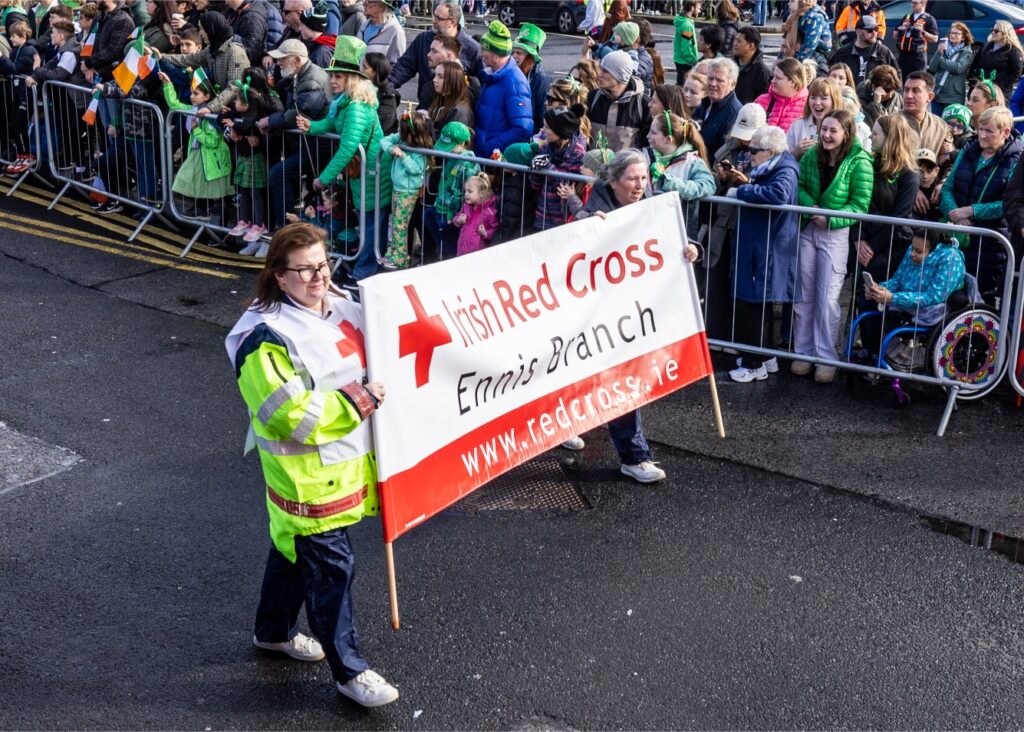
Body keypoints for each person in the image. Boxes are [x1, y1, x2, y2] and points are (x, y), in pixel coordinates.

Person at [224, 222, 399, 710]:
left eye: (322, 264)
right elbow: (287, 416)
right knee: (332, 569)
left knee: (292, 553)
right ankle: (351, 671)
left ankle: (273, 632)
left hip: (343, 472)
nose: (317, 277)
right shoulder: (262, 337)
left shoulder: (343, 305)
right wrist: (358, 400)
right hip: (306, 480)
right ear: (279, 276)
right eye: (303, 270)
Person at [570, 149, 697, 483]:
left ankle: (634, 456)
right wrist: (586, 228)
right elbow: (574, 240)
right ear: (614, 181)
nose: (640, 185)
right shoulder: (596, 206)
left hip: (631, 314)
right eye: (632, 179)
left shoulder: (654, 206)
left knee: (622, 379)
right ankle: (567, 423)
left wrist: (689, 247)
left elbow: (670, 239)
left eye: (644, 178)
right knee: (585, 373)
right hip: (594, 312)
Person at [297, 35, 391, 283]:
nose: (332, 80)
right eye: (332, 75)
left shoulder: (357, 106)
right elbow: (330, 122)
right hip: (360, 171)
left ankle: (365, 270)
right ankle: (363, 266)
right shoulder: (345, 101)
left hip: (372, 170)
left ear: (352, 79)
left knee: (372, 223)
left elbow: (348, 147)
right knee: (365, 219)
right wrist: (312, 126)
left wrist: (323, 178)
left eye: (339, 76)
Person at [792, 109, 874, 383]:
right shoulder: (812, 154)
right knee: (804, 296)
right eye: (823, 129)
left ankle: (826, 357)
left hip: (835, 234)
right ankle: (802, 352)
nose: (826, 135)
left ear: (846, 133)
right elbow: (799, 185)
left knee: (827, 298)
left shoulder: (860, 161)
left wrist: (831, 219)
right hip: (809, 228)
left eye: (833, 130)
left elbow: (859, 204)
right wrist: (812, 207)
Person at [723, 125, 800, 383]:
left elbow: (778, 194)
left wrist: (743, 191)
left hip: (767, 248)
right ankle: (767, 356)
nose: (750, 154)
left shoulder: (785, 168)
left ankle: (754, 363)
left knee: (756, 306)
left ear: (770, 151)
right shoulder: (775, 165)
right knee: (762, 305)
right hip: (762, 246)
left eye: (755, 150)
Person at [940, 105, 1022, 297]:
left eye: (989, 131)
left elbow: (1008, 203)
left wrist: (971, 211)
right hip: (958, 237)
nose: (982, 136)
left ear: (1005, 132)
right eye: (980, 129)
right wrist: (956, 214)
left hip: (991, 245)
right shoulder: (968, 149)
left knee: (979, 301)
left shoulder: (1016, 159)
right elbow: (948, 188)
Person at [861, 228, 966, 359]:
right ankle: (871, 353)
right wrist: (880, 288)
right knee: (865, 303)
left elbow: (932, 297)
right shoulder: (914, 248)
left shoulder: (950, 259)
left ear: (932, 250)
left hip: (932, 310)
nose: (912, 254)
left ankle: (876, 356)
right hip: (906, 301)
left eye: (918, 251)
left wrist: (892, 298)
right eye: (912, 249)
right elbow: (898, 280)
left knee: (881, 317)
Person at [261, 38, 332, 229]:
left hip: (318, 146)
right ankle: (296, 226)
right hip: (310, 143)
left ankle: (287, 228)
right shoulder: (300, 74)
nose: (279, 63)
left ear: (297, 61)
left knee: (279, 174)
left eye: (283, 59)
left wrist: (269, 121)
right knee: (305, 187)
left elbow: (298, 114)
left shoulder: (311, 80)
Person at [854, 113, 921, 292]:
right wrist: (858, 239)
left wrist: (871, 248)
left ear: (890, 138)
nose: (870, 136)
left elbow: (899, 218)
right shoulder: (868, 164)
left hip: (890, 249)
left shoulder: (909, 175)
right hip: (864, 240)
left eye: (875, 134)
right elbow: (856, 203)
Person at [160, 71, 235, 220]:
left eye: (196, 93)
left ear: (207, 97)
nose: (191, 96)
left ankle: (211, 213)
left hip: (211, 157)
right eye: (191, 93)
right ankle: (202, 210)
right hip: (199, 153)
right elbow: (174, 104)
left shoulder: (210, 117)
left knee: (207, 187)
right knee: (195, 183)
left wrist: (197, 130)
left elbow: (213, 141)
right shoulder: (193, 110)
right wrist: (167, 84)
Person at [387, 0, 479, 112]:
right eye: (434, 16)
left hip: (454, 117)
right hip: (425, 111)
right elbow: (404, 67)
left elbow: (480, 89)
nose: (433, 21)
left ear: (453, 22)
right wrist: (386, 86)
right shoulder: (423, 39)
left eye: (439, 18)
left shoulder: (472, 49)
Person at [155, 11, 250, 115]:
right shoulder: (211, 49)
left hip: (234, 111)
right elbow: (187, 59)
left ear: (211, 29)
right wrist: (161, 56)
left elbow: (234, 88)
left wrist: (211, 108)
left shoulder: (235, 52)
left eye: (202, 29)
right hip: (221, 109)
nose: (200, 33)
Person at [225, 71, 278, 252]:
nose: (234, 103)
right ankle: (246, 221)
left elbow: (249, 125)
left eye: (238, 101)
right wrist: (232, 126)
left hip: (258, 158)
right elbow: (223, 117)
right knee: (244, 190)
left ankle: (260, 226)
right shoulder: (244, 112)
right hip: (245, 156)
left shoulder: (263, 107)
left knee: (256, 193)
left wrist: (235, 127)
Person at [647, 112, 714, 241]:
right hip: (649, 228)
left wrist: (673, 184)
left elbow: (708, 186)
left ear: (668, 139)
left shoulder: (692, 162)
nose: (648, 136)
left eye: (653, 133)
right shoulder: (646, 156)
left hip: (678, 232)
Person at [379, 107, 432, 269]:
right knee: (395, 222)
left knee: (401, 224)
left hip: (408, 192)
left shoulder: (419, 150)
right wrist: (391, 149)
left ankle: (401, 257)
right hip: (398, 188)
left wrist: (403, 156)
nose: (399, 133)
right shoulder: (401, 139)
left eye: (402, 131)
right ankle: (394, 252)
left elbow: (416, 169)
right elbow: (384, 140)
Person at [473, 20, 531, 157]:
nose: (481, 54)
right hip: (483, 155)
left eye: (485, 50)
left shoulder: (515, 83)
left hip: (492, 160)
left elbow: (522, 129)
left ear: (496, 54)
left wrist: (489, 147)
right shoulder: (493, 76)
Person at [529, 104, 587, 231]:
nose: (543, 130)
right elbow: (535, 185)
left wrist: (547, 167)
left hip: (562, 218)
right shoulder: (546, 146)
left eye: (547, 127)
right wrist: (534, 170)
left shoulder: (577, 152)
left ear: (560, 130)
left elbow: (564, 187)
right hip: (543, 214)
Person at [587, 50, 650, 152]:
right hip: (594, 167)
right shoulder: (592, 97)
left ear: (621, 75)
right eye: (601, 69)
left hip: (626, 167)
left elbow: (648, 145)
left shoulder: (643, 104)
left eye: (605, 71)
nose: (599, 73)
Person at [829, 15, 897, 88]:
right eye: (870, 30)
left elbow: (897, 78)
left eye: (876, 29)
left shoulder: (883, 52)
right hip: (848, 97)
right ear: (858, 31)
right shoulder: (843, 53)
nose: (874, 33)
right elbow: (830, 76)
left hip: (874, 98)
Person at [80, 0, 134, 84]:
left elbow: (112, 51)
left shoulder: (123, 20)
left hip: (110, 79)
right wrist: (88, 67)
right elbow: (89, 42)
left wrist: (89, 64)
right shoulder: (98, 18)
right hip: (93, 73)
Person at [787, 76, 841, 159]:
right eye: (813, 98)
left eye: (824, 98)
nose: (817, 103)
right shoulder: (797, 125)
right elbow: (783, 160)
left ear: (834, 100)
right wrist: (796, 153)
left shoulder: (844, 126)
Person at [697, 57, 742, 157]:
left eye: (719, 80)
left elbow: (723, 155)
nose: (713, 84)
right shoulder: (704, 104)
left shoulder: (734, 114)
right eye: (710, 78)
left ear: (732, 84)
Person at [968, 20, 1024, 100]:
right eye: (992, 30)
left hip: (999, 93)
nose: (993, 33)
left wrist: (999, 87)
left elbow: (1016, 74)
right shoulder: (985, 47)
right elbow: (973, 67)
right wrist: (973, 84)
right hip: (980, 91)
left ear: (1005, 33)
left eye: (996, 31)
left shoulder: (1013, 51)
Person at [512, 23, 551, 135]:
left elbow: (542, 118)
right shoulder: (513, 73)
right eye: (513, 52)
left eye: (519, 53)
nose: (514, 56)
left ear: (530, 57)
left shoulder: (542, 80)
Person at [928, 22, 974, 116]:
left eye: (956, 34)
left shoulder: (966, 52)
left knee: (950, 125)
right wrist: (939, 52)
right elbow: (932, 67)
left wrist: (941, 60)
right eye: (951, 33)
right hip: (938, 93)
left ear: (963, 37)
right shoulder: (943, 47)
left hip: (953, 96)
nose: (953, 35)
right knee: (937, 123)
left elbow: (958, 68)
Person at [901, 71, 949, 156]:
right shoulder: (889, 123)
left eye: (916, 91)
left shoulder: (941, 126)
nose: (909, 95)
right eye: (906, 90)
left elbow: (946, 160)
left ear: (930, 97)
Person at [755, 57, 808, 132]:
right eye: (773, 76)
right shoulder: (762, 101)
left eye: (778, 78)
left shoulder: (807, 106)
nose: (772, 81)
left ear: (793, 82)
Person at [426, 59, 474, 138]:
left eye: (440, 77)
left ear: (453, 81)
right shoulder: (440, 100)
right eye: (435, 75)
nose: (434, 80)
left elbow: (450, 141)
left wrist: (425, 123)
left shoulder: (459, 111)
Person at [452, 172, 498, 255]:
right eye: (465, 191)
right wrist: (459, 220)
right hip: (462, 250)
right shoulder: (465, 207)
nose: (466, 194)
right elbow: (455, 219)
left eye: (470, 192)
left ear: (481, 194)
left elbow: (495, 230)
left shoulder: (489, 212)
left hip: (478, 255)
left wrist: (485, 233)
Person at [892, 0, 937, 80]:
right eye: (912, 2)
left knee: (918, 80)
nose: (912, 5)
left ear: (923, 4)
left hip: (918, 56)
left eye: (915, 3)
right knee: (902, 80)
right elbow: (895, 35)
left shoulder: (929, 18)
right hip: (903, 55)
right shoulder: (907, 17)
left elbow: (935, 39)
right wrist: (902, 29)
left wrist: (922, 32)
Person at [361, 51, 400, 134]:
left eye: (365, 67)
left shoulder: (388, 96)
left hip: (378, 142)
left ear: (375, 72)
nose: (361, 70)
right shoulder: (360, 87)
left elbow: (381, 124)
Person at [357, 0, 405, 66]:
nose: (364, 4)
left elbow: (397, 66)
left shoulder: (395, 31)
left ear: (381, 7)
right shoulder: (364, 25)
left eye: (368, 2)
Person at [733, 26, 771, 104]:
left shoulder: (762, 71)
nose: (734, 44)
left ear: (751, 46)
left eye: (739, 41)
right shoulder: (730, 65)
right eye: (735, 40)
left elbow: (762, 101)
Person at [224, 0, 269, 65]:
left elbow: (252, 52)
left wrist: (227, 36)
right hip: (234, 63)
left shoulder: (252, 17)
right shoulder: (232, 10)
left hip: (246, 70)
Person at [791, 0, 831, 69]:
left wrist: (797, 63)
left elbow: (810, 44)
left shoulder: (814, 17)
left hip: (819, 53)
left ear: (803, 1)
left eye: (792, 1)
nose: (788, 4)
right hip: (808, 50)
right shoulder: (800, 15)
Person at [297, 1, 338, 69]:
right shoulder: (316, 45)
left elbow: (320, 78)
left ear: (313, 26)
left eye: (302, 25)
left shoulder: (322, 53)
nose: (299, 28)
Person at [672, 0, 699, 84]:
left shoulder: (682, 21)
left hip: (680, 60)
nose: (699, 11)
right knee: (683, 90)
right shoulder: (687, 25)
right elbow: (686, 47)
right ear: (692, 8)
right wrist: (694, 61)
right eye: (698, 8)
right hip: (685, 62)